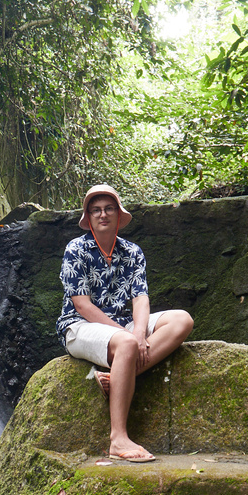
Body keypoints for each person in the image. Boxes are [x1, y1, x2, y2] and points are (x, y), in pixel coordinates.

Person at [57, 184, 193, 462]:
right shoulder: (76, 249)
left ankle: (116, 376)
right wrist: (129, 336)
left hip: (125, 326)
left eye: (109, 209)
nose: (102, 214)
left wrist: (140, 332)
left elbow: (140, 300)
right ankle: (118, 438)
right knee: (128, 342)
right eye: (96, 210)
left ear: (119, 215)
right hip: (78, 326)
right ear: (89, 217)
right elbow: (82, 305)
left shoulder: (132, 252)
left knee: (182, 320)